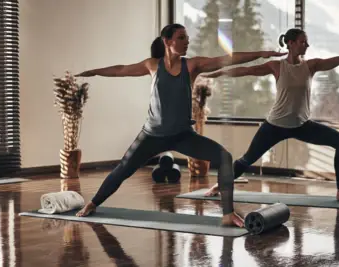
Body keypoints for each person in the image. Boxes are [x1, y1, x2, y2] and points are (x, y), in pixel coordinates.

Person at [73, 23, 286, 228]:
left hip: (183, 136)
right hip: (151, 136)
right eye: (181, 38)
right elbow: (120, 70)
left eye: (187, 38)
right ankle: (93, 204)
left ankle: (227, 214)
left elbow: (227, 60)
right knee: (123, 170)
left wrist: (262, 53)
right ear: (167, 41)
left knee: (224, 157)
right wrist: (93, 72)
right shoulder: (152, 65)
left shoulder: (192, 65)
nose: (186, 42)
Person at [202, 28, 339, 202]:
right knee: (246, 160)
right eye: (303, 42)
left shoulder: (311, 66)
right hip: (275, 126)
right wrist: (217, 74)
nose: (307, 45)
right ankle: (219, 186)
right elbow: (246, 71)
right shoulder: (276, 67)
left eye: (307, 42)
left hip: (302, 125)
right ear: (291, 44)